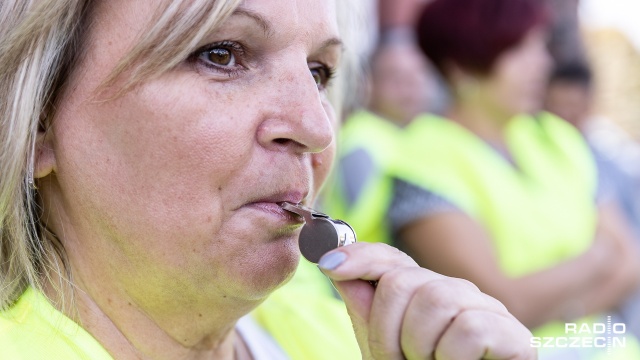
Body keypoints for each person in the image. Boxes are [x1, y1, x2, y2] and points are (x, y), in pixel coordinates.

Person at [0, 0, 535, 359]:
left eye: (319, 72)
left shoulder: (351, 337)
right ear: (36, 122)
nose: (317, 128)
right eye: (221, 55)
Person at [381, 0, 640, 359]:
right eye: (519, 49)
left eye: (540, 46)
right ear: (461, 66)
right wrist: (596, 258)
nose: (543, 64)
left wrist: (553, 309)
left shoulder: (555, 137)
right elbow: (501, 303)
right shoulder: (421, 159)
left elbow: (629, 261)